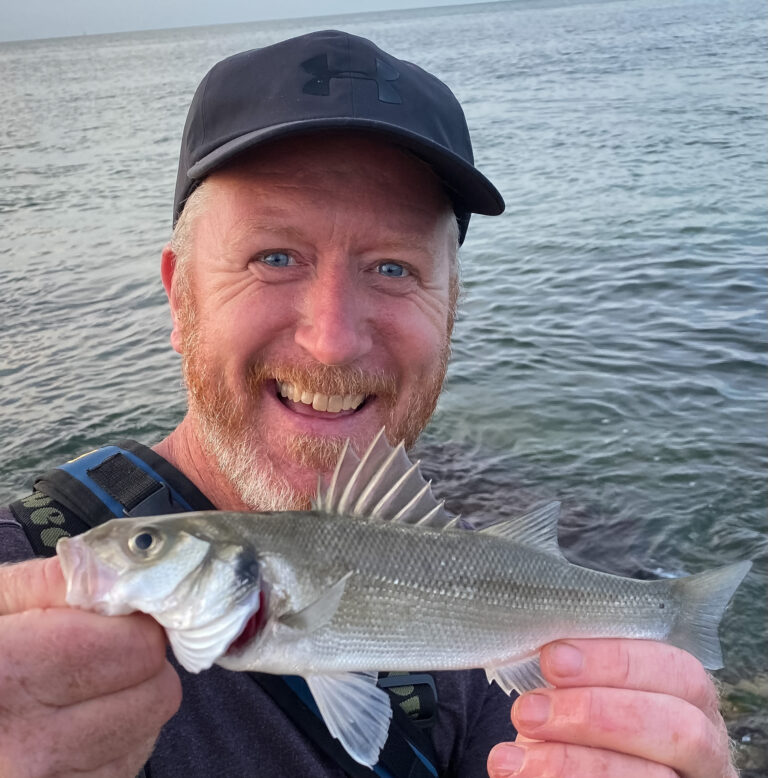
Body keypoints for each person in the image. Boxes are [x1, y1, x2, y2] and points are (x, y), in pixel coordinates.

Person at [0, 30, 736, 778]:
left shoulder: (487, 608)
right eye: (274, 257)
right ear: (179, 296)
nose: (332, 343)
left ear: (450, 311)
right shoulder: (16, 562)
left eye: (393, 267)